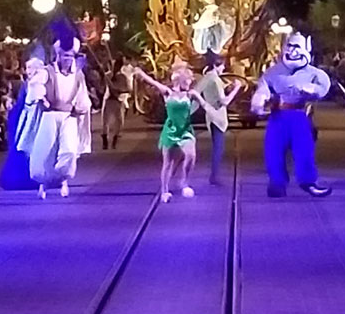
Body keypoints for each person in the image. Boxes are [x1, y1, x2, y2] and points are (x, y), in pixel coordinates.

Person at [251, 31, 332, 198]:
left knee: (304, 151)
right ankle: (277, 183)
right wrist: (259, 99)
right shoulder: (273, 72)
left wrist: (312, 90)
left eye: (297, 47)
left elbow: (323, 89)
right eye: (290, 46)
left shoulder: (314, 73)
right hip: (278, 117)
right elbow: (263, 87)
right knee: (273, 151)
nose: (293, 51)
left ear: (306, 48)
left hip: (299, 116)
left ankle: (308, 182)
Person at [134, 61, 217, 202]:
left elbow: (204, 104)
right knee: (168, 163)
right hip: (171, 131)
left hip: (185, 130)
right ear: (180, 80)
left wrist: (211, 111)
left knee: (191, 155)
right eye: (188, 81)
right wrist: (140, 73)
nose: (190, 84)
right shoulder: (168, 92)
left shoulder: (191, 94)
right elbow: (153, 82)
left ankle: (184, 182)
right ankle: (164, 190)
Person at [26, 33, 92, 199]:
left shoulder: (77, 75)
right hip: (50, 116)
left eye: (70, 56)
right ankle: (43, 183)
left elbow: (82, 95)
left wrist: (81, 107)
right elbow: (35, 85)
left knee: (69, 150)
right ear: (58, 55)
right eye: (64, 55)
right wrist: (41, 98)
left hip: (68, 116)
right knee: (45, 151)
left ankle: (62, 179)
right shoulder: (48, 71)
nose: (68, 59)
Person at [194, 51, 243, 185]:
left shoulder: (208, 77)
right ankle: (214, 176)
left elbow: (197, 91)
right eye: (222, 66)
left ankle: (214, 175)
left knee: (218, 147)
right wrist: (236, 89)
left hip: (212, 114)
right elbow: (225, 101)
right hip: (217, 116)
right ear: (217, 65)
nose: (223, 69)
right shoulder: (214, 79)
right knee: (218, 148)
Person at [0, 55, 44, 190]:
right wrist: (8, 100)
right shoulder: (20, 83)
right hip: (19, 117)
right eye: (27, 67)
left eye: (31, 67)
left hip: (34, 118)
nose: (28, 70)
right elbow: (11, 95)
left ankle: (34, 176)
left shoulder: (40, 84)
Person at [101, 58, 131, 151]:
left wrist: (119, 90)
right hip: (109, 99)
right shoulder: (108, 75)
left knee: (119, 122)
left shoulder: (122, 77)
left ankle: (114, 141)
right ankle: (105, 141)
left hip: (118, 100)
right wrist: (108, 80)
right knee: (106, 121)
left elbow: (127, 89)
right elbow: (102, 87)